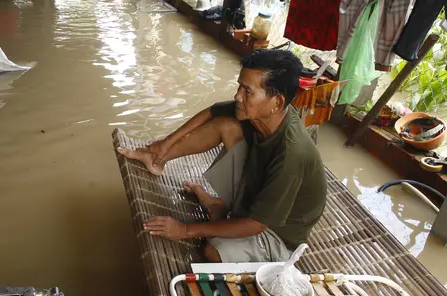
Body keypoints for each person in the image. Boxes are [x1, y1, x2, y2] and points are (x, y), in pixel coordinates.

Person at [118, 49, 326, 263]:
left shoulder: (291, 154)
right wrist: (163, 146)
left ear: (277, 103)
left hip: (277, 234)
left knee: (212, 251)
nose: (238, 96)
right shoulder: (262, 114)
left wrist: (186, 229)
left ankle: (226, 212)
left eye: (247, 91)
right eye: (239, 86)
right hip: (257, 197)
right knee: (225, 125)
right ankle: (157, 161)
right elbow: (212, 112)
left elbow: (256, 225)